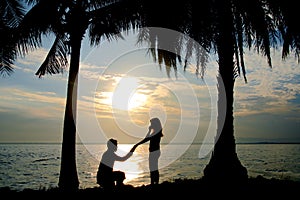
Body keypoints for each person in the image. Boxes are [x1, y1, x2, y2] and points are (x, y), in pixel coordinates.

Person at [133, 117, 163, 185]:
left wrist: (137, 144)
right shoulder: (156, 132)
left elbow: (146, 139)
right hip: (154, 151)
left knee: (153, 167)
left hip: (154, 152)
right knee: (153, 167)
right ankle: (154, 182)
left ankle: (154, 183)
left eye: (152, 123)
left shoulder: (156, 132)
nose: (151, 125)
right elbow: (147, 138)